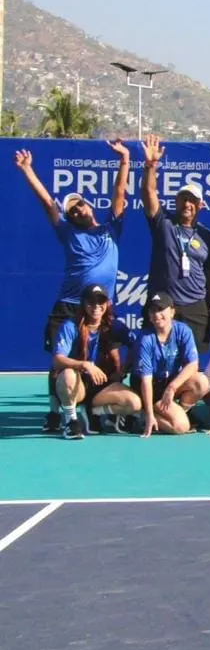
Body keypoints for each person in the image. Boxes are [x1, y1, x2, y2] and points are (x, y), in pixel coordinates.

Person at [15, 141, 130, 432]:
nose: (77, 210)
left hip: (102, 307)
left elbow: (119, 194)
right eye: (72, 210)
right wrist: (28, 171)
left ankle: (99, 407)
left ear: (88, 205)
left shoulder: (110, 229)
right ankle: (56, 412)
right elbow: (48, 205)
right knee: (60, 361)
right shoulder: (68, 232)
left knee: (107, 357)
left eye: (79, 204)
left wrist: (125, 160)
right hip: (69, 304)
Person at [139, 135, 210, 351]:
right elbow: (148, 193)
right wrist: (150, 165)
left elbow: (209, 275)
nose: (187, 204)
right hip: (164, 303)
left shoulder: (207, 235)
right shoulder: (163, 223)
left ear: (200, 205)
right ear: (176, 201)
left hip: (195, 307)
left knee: (190, 364)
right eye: (183, 199)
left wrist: (208, 306)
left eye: (192, 200)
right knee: (155, 356)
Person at [49, 285, 138, 439]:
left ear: (107, 304)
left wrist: (123, 370)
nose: (96, 307)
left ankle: (94, 411)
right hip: (78, 385)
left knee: (134, 404)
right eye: (91, 302)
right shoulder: (70, 326)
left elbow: (138, 347)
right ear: (83, 304)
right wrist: (84, 364)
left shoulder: (115, 326)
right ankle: (72, 422)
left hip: (102, 385)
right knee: (68, 374)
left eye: (101, 302)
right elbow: (58, 360)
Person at [133, 293, 210, 436]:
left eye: (161, 309)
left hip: (169, 382)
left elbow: (193, 364)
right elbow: (146, 381)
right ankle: (144, 416)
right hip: (151, 388)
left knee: (201, 382)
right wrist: (150, 413)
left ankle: (178, 412)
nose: (157, 314)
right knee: (181, 427)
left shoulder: (183, 330)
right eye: (153, 311)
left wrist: (172, 386)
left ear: (172, 312)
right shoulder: (145, 339)